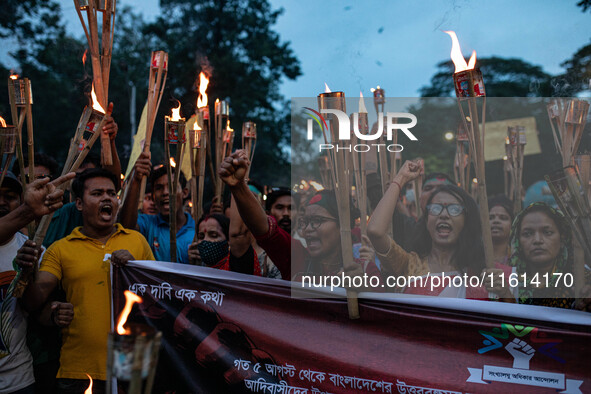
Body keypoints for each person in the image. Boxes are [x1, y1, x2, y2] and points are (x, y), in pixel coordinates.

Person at [17, 168, 154, 393]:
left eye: (111, 193)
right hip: (79, 370)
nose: (107, 198)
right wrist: (25, 272)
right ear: (79, 204)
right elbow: (33, 302)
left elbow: (159, 297)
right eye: (97, 193)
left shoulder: (137, 242)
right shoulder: (60, 249)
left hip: (132, 366)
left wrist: (137, 269)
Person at [219, 150, 380, 283]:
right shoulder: (296, 258)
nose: (307, 230)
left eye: (317, 221)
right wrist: (238, 187)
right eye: (305, 222)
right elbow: (263, 227)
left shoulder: (365, 271)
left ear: (342, 226)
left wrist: (363, 288)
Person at [0, 171, 75, 394]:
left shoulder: (33, 250)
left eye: (10, 196)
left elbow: (32, 308)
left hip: (17, 380)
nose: (2, 202)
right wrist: (29, 210)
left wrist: (53, 313)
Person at [367, 160, 486, 297]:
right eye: (436, 209)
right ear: (427, 221)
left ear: (466, 219)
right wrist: (400, 179)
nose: (444, 215)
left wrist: (504, 292)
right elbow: (375, 231)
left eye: (454, 209)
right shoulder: (408, 265)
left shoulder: (481, 273)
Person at [488, 202, 590, 309]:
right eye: (527, 234)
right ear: (518, 243)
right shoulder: (506, 281)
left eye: (547, 232)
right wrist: (506, 295)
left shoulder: (582, 281)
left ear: (562, 238)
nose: (537, 240)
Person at [120, 153, 195, 263]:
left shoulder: (197, 229)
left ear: (184, 193)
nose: (165, 193)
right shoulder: (147, 224)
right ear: (153, 197)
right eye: (159, 188)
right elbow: (126, 226)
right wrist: (136, 179)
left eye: (172, 186)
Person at [488, 195, 514, 264]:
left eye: (503, 218)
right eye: (491, 218)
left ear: (512, 224)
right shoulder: (474, 258)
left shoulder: (518, 259)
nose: (496, 221)